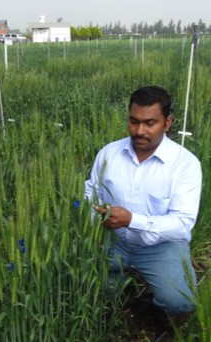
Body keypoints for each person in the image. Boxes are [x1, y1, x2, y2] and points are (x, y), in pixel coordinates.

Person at [84, 86, 202, 316]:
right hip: (112, 241)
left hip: (160, 246)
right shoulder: (109, 153)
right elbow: (90, 192)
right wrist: (95, 216)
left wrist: (132, 220)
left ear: (167, 123)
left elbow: (182, 223)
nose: (139, 130)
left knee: (181, 303)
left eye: (150, 123)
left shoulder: (185, 164)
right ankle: (116, 287)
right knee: (93, 295)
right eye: (133, 121)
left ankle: (152, 307)